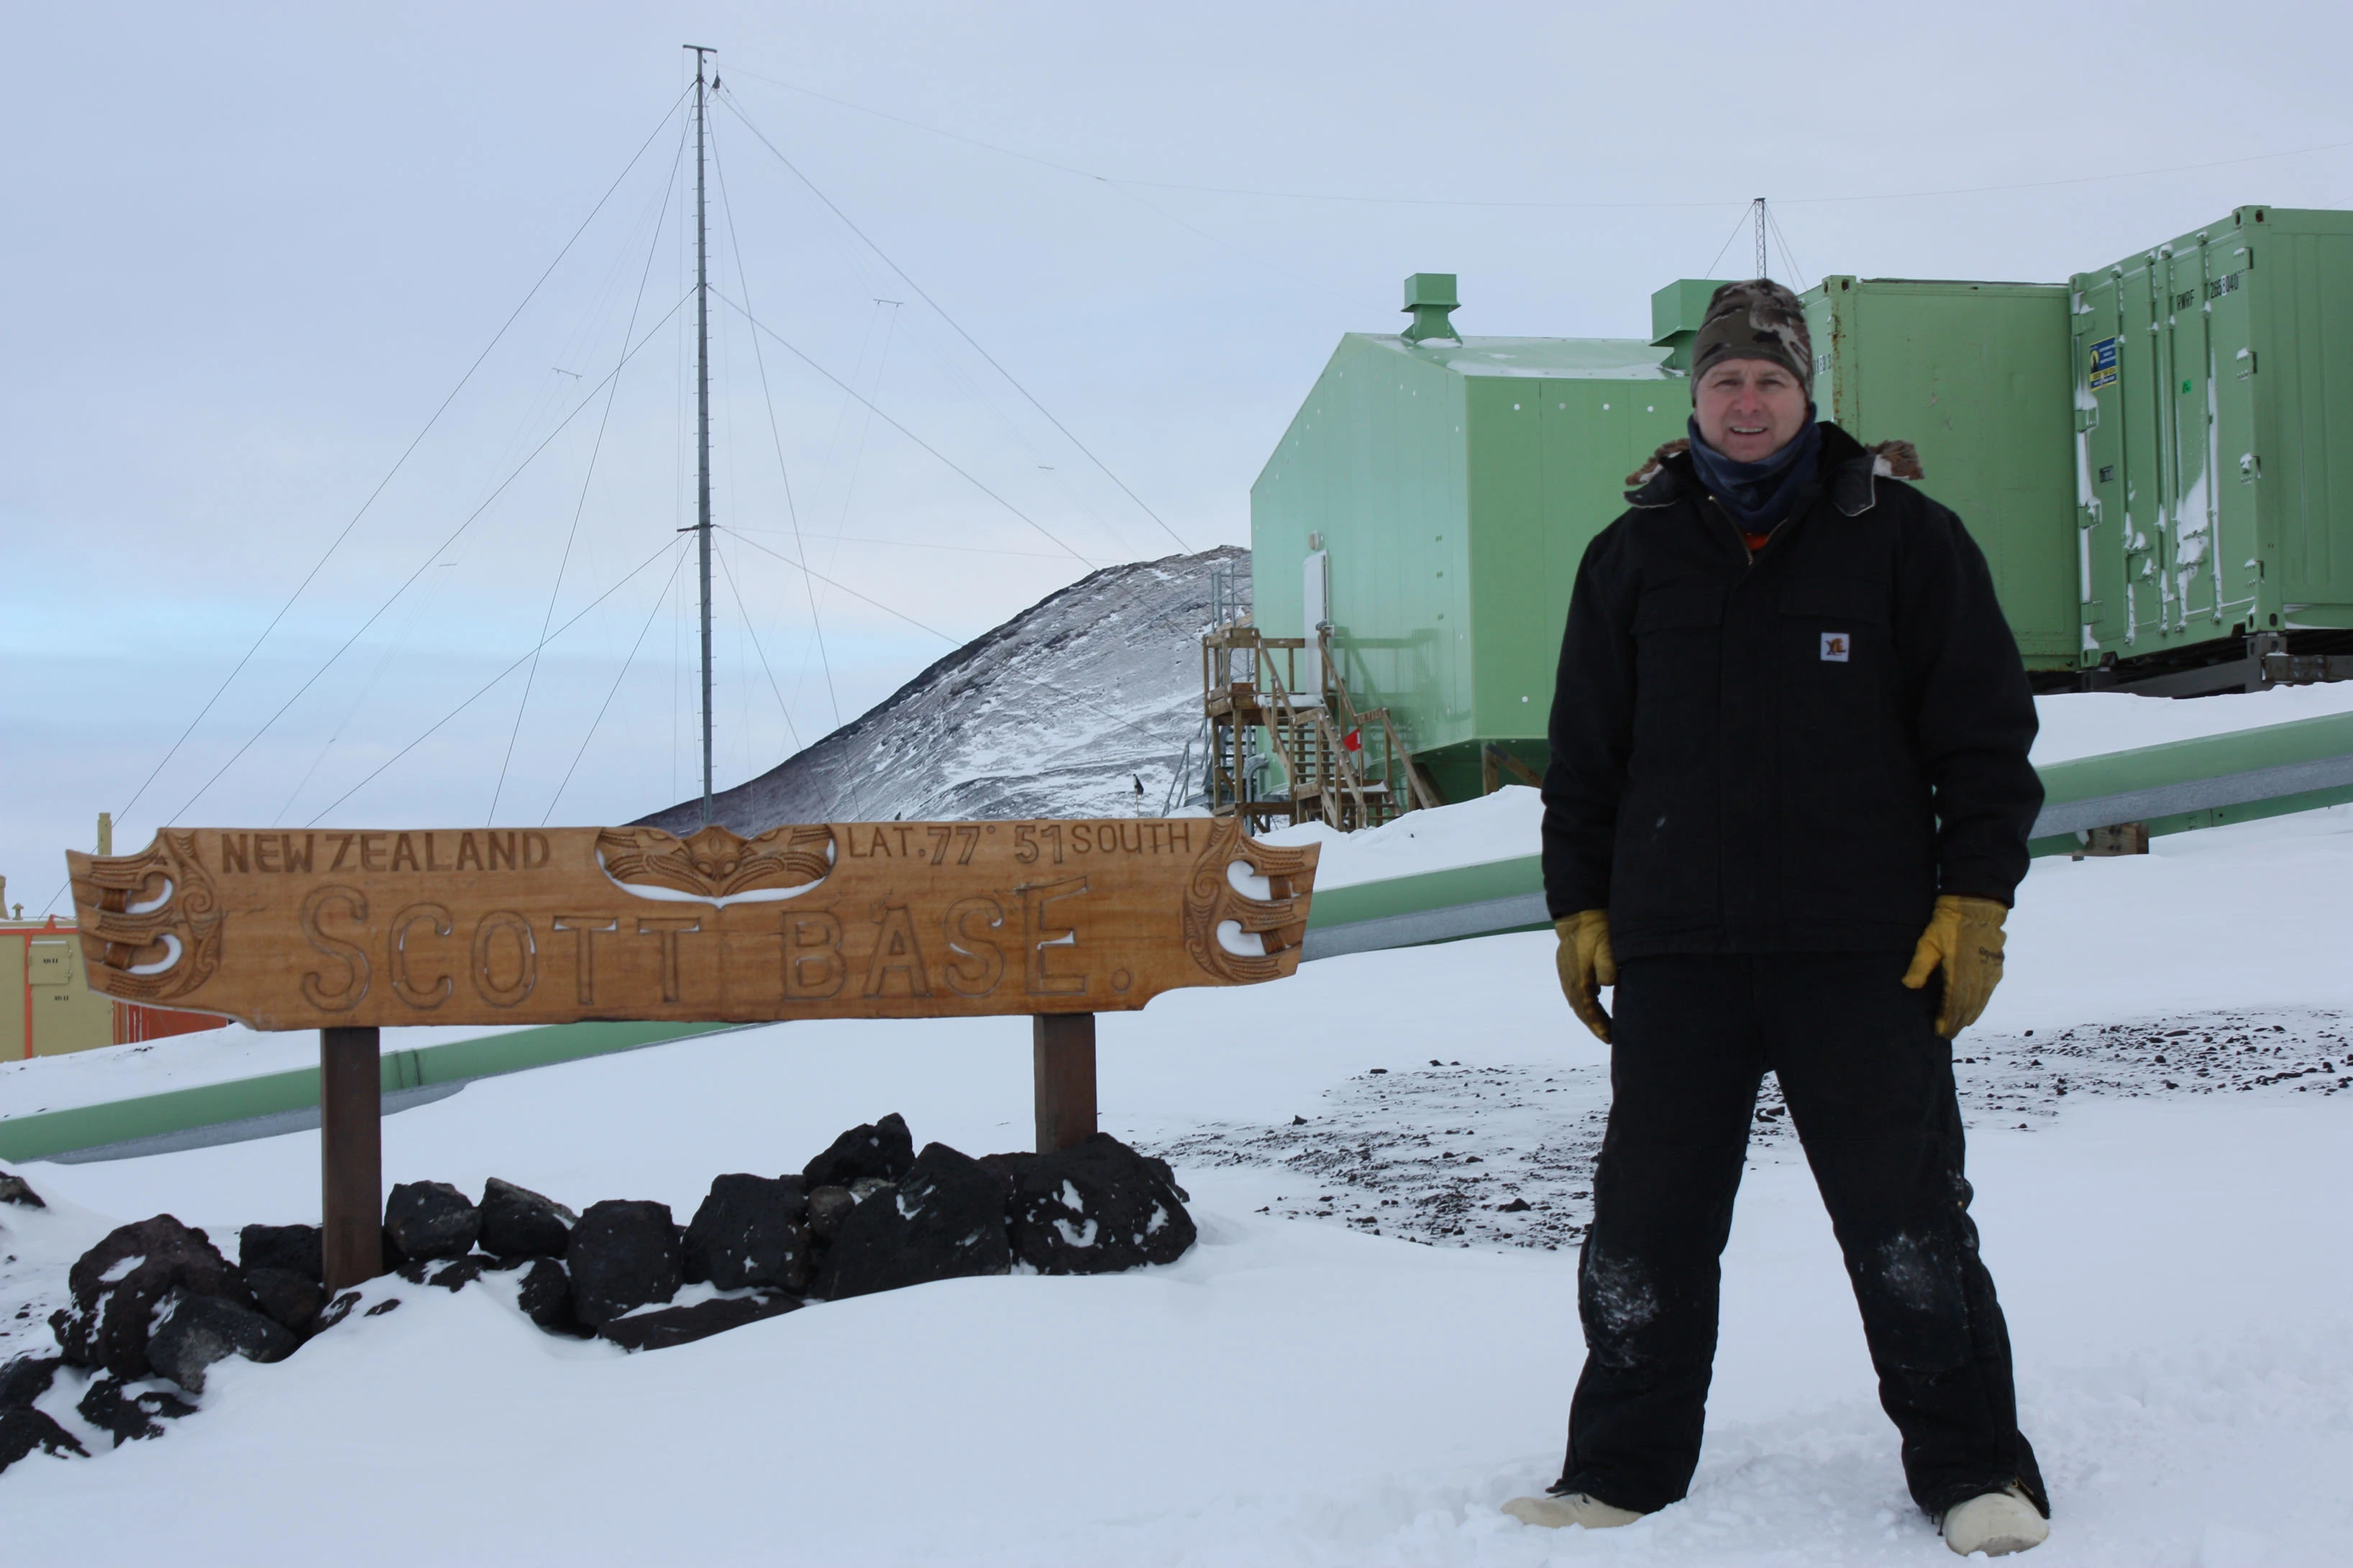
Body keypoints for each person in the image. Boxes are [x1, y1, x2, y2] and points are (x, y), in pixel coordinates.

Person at [1505, 280, 2050, 1557]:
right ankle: (1619, 1468)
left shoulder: (1907, 541)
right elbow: (1586, 760)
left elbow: (1983, 739)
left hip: (1863, 952)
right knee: (1646, 1223)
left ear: (1809, 396)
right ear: (1693, 398)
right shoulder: (1630, 557)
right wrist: (1580, 907)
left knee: (1908, 1220)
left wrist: (1976, 896)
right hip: (1680, 954)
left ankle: (1976, 1471)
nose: (1746, 403)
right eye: (1724, 382)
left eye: (1770, 382)